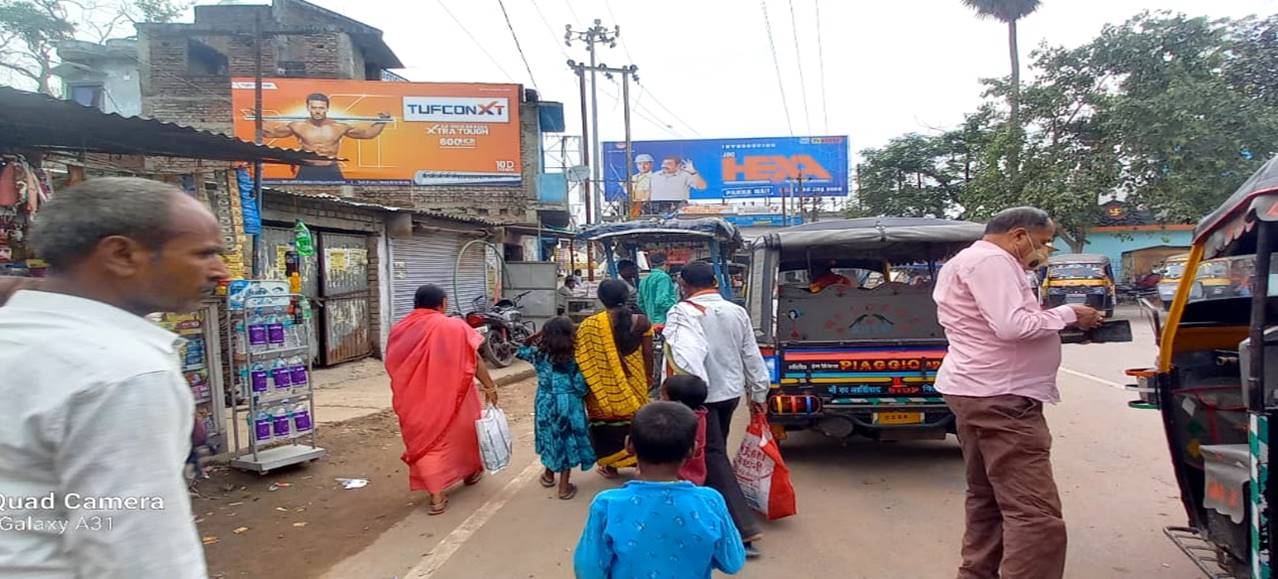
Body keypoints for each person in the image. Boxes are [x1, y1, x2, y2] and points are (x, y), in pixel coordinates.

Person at [0, 177, 227, 578]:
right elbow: (139, 556)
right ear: (122, 254)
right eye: (204, 254)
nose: (220, 271)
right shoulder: (124, 374)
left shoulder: (18, 335)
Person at [932, 206, 1104, 579]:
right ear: (1019, 235)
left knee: (987, 498)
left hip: (979, 390)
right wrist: (1070, 314)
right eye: (1043, 241)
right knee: (1034, 513)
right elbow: (1013, 326)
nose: (1045, 250)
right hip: (1002, 397)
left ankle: (978, 573)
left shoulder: (969, 261)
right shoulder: (992, 262)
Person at [662, 261, 768, 556]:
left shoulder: (682, 312)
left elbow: (686, 356)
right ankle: (708, 518)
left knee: (710, 454)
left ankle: (743, 530)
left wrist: (683, 395)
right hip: (730, 393)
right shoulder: (736, 311)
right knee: (709, 453)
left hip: (698, 395)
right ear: (715, 282)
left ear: (684, 285)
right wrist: (758, 392)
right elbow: (751, 353)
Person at [573, 402, 746, 579]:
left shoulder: (607, 504)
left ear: (629, 445)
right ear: (692, 450)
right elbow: (732, 561)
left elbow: (588, 570)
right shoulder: (710, 501)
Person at [385, 284, 501, 515]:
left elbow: (394, 363)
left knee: (428, 445)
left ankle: (437, 497)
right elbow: (474, 358)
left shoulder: (399, 329)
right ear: (443, 303)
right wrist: (489, 386)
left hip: (414, 398)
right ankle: (470, 473)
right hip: (454, 394)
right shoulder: (453, 326)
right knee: (463, 435)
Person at [575, 279, 654, 479]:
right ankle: (639, 461)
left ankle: (611, 466)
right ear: (626, 297)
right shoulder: (642, 321)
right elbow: (648, 354)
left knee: (605, 424)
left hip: (602, 388)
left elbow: (583, 359)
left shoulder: (589, 325)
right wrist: (648, 377)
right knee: (636, 421)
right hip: (636, 381)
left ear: (601, 299)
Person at [518, 317, 596, 500]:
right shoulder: (575, 356)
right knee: (567, 440)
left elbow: (520, 351)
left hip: (544, 400)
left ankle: (548, 475)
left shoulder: (539, 354)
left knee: (549, 436)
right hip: (568, 402)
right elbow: (580, 386)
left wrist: (532, 337)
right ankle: (563, 487)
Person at [263, 93, 391, 181]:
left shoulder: (339, 127)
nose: (317, 111)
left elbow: (368, 134)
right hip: (307, 168)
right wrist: (259, 120)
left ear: (327, 108)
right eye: (314, 108)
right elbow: (270, 133)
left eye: (321, 108)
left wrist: (382, 121)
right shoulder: (298, 126)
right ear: (308, 108)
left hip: (331, 169)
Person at [661, 374, 709, 485]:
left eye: (663, 397)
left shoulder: (681, 422)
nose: (660, 400)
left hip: (677, 476)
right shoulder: (700, 416)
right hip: (695, 474)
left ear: (678, 403)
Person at [637, 252, 679, 325]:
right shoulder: (663, 277)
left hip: (650, 321)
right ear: (665, 263)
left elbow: (640, 303)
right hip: (664, 321)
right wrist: (676, 307)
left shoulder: (644, 279)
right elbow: (661, 301)